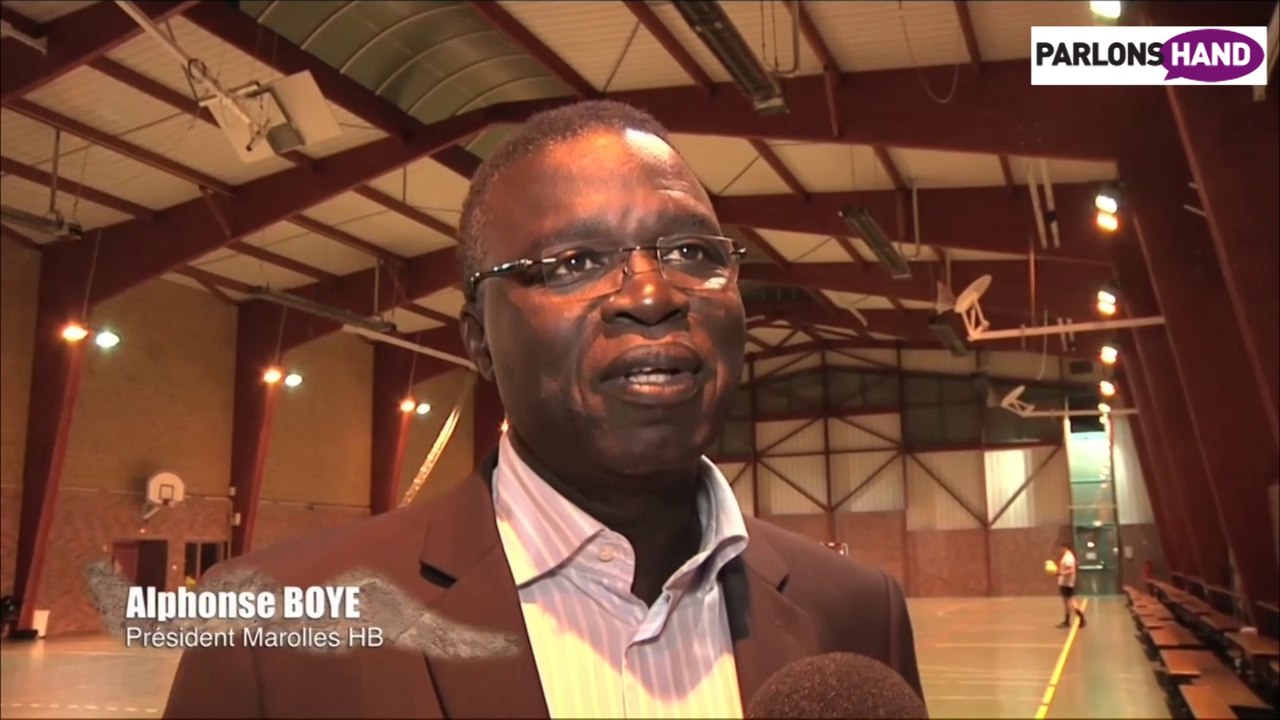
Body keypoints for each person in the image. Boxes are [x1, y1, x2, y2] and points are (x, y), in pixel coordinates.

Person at [163, 100, 922, 718]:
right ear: (479, 343)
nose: (653, 296)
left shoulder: (859, 616)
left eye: (693, 252)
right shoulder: (268, 641)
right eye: (574, 263)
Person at [1056, 541, 1086, 628]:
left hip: (1067, 584)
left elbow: (1071, 570)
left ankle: (1077, 618)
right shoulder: (1066, 556)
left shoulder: (1068, 558)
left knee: (1070, 602)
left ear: (1065, 548)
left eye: (1061, 548)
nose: (1060, 550)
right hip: (1065, 583)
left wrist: (1061, 573)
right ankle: (1070, 620)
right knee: (1068, 602)